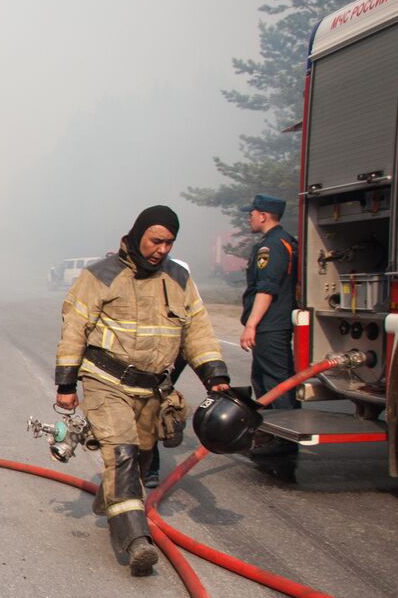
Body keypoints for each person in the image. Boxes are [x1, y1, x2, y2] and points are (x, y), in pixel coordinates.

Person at [55, 205, 230, 576]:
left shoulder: (179, 279)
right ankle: (135, 541)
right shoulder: (99, 275)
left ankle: (113, 498)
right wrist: (66, 383)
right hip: (105, 381)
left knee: (142, 459)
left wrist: (215, 374)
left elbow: (197, 330)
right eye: (156, 240)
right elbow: (74, 329)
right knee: (121, 453)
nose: (162, 249)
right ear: (137, 236)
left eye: (169, 242)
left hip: (151, 389)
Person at [238, 194, 300, 413]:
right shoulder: (283, 240)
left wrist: (251, 325)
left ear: (263, 216)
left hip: (271, 324)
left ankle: (283, 439)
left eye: (252, 214)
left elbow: (266, 288)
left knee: (276, 383)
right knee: (264, 380)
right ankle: (272, 434)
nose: (249, 218)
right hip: (274, 322)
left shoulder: (271, 246)